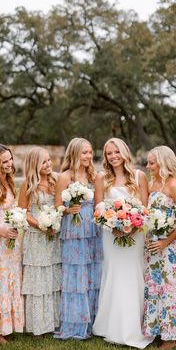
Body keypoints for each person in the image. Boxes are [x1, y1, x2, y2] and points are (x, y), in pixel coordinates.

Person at [92, 137, 153, 349]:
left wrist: (133, 227)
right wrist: (114, 227)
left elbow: (145, 210)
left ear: (124, 152)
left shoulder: (139, 176)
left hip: (136, 236)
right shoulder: (101, 177)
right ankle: (110, 326)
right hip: (111, 236)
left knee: (133, 275)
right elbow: (98, 209)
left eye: (116, 151)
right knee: (113, 275)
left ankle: (134, 327)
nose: (113, 156)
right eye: (109, 153)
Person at [143, 146, 176, 349]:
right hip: (153, 245)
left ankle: (171, 337)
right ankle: (157, 330)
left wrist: (166, 241)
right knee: (155, 288)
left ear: (162, 163)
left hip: (171, 247)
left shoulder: (174, 184)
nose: (148, 166)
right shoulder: (153, 183)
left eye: (151, 163)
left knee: (170, 288)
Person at [54, 138, 103, 340]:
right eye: (84, 153)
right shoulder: (65, 177)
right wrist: (68, 209)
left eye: (90, 152)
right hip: (74, 231)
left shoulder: (94, 176)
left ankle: (94, 321)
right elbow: (57, 206)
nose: (88, 156)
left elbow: (99, 204)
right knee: (76, 275)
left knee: (93, 273)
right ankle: (75, 324)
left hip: (92, 228)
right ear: (74, 153)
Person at [18, 147, 61, 336]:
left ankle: (53, 323)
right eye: (44, 162)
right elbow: (23, 211)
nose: (49, 164)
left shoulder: (55, 181)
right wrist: (39, 225)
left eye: (49, 160)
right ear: (35, 164)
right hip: (36, 237)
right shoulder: (28, 184)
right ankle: (38, 326)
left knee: (52, 278)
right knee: (38, 281)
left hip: (52, 237)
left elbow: (60, 207)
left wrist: (53, 224)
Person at [0, 144, 24, 344]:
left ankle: (8, 326)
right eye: (4, 162)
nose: (9, 164)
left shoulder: (9, 182)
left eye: (10, 160)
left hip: (12, 240)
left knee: (10, 279)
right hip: (1, 237)